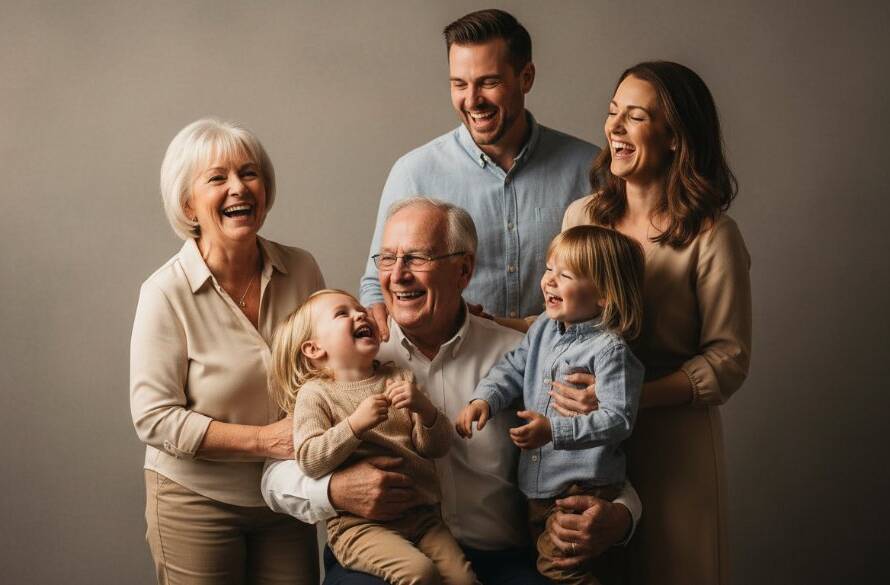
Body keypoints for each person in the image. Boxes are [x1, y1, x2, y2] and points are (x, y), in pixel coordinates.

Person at [262, 198, 641, 585]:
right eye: (388, 259)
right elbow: (274, 479)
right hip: (382, 552)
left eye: (416, 258)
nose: (398, 275)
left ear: (463, 271)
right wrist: (334, 490)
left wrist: (622, 515)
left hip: (502, 559)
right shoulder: (350, 361)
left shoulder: (523, 354)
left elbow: (596, 452)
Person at [556, 61, 752, 585]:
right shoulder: (584, 217)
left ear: (674, 137)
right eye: (612, 112)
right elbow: (560, 323)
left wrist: (626, 396)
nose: (614, 128)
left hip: (673, 450)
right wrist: (488, 322)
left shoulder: (713, 237)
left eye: (635, 117)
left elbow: (728, 361)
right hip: (591, 448)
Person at [130, 118, 324, 584]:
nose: (239, 188)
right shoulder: (165, 292)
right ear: (187, 203)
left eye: (249, 173)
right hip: (193, 501)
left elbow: (326, 371)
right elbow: (153, 417)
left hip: (285, 494)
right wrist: (264, 441)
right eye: (217, 178)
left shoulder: (301, 269)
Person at [359, 8, 600, 338]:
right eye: (459, 84)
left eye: (489, 82)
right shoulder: (413, 173)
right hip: (454, 374)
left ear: (526, 77)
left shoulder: (589, 169)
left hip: (561, 371)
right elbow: (376, 284)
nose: (472, 100)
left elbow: (615, 284)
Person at [457, 226, 645, 585]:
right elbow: (513, 366)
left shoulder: (610, 351)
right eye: (548, 269)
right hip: (536, 488)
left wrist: (553, 430)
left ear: (604, 294)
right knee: (544, 569)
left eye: (566, 275)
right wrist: (485, 399)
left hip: (580, 488)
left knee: (560, 574)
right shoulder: (543, 327)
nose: (549, 282)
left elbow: (618, 419)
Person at [269, 289, 475, 585]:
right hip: (359, 527)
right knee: (420, 573)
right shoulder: (316, 395)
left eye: (359, 309)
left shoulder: (400, 379)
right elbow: (310, 460)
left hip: (423, 517)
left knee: (463, 579)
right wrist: (354, 425)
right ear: (314, 349)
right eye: (342, 313)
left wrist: (425, 410)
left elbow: (436, 447)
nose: (360, 314)